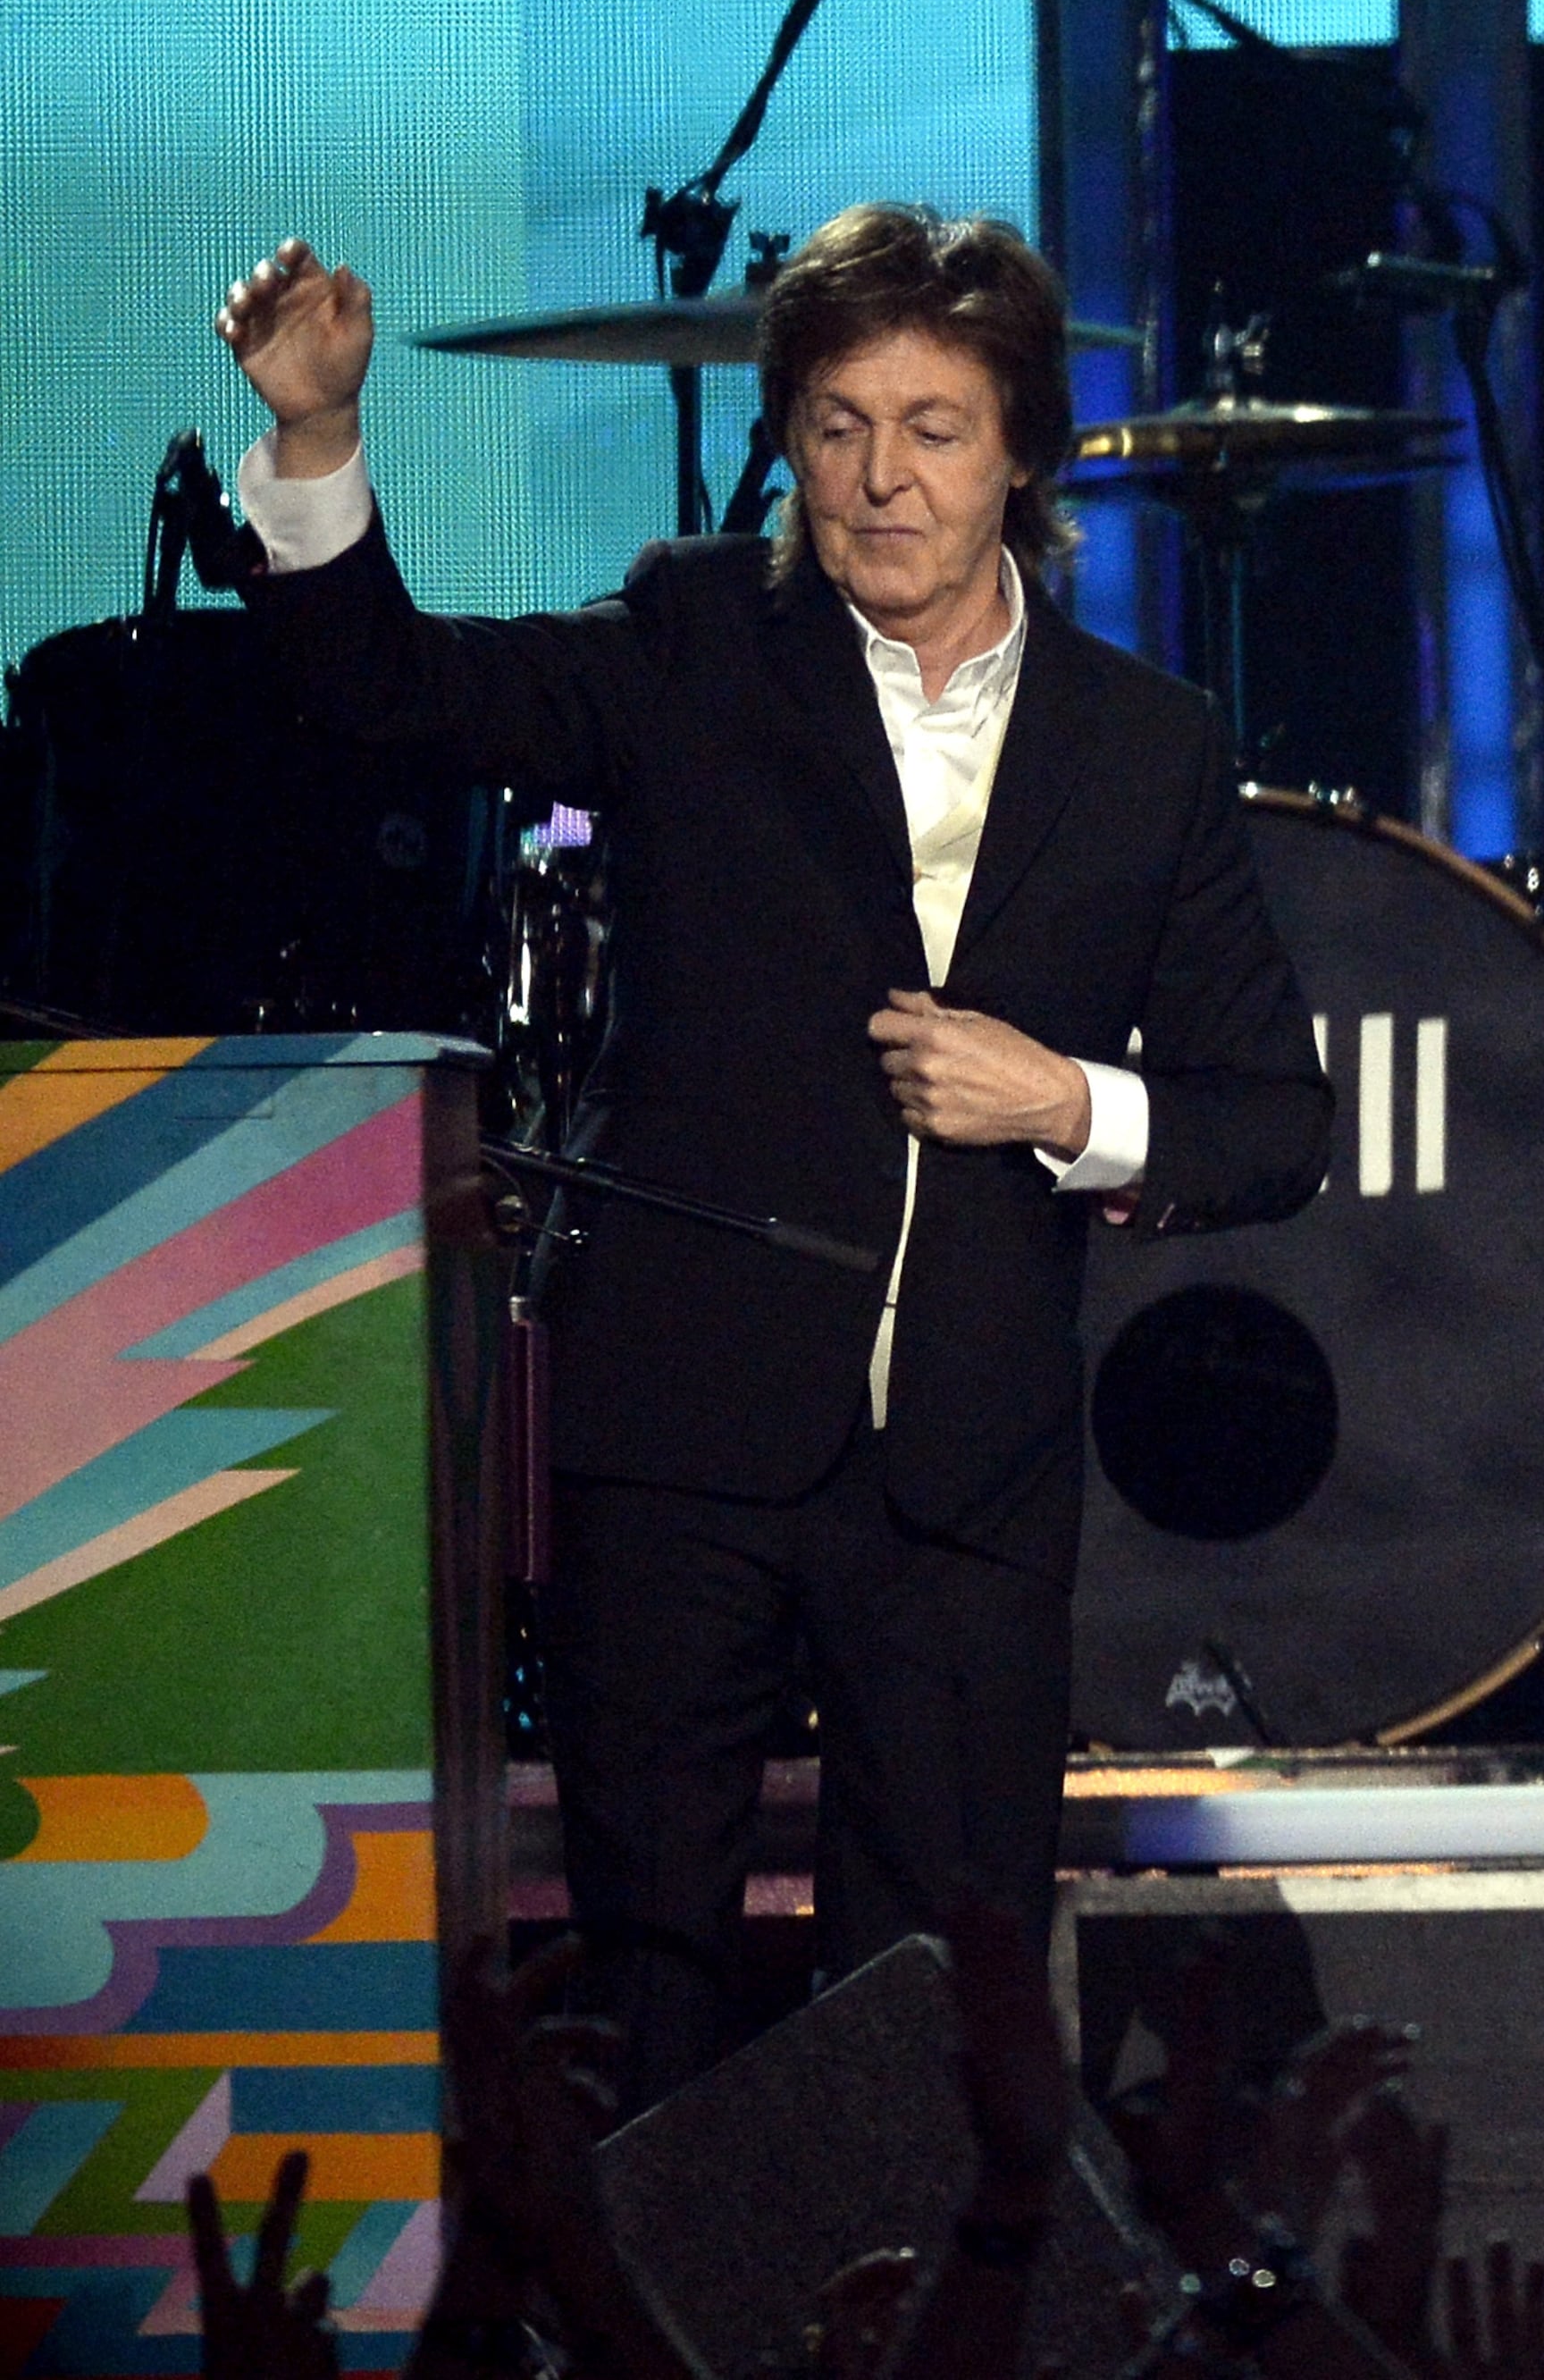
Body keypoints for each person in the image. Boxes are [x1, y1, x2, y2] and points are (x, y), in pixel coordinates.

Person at [214, 207, 1332, 2106]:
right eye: (834, 425)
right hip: (682, 1443)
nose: (879, 478)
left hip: (966, 1479)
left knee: (944, 1990)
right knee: (645, 1967)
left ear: (1027, 451)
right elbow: (387, 687)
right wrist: (318, 440)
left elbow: (1270, 1120)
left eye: (935, 426)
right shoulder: (694, 639)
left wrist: (1059, 1102)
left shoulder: (1147, 745)